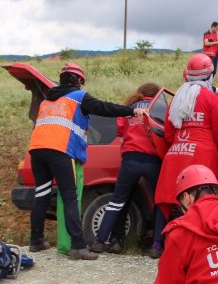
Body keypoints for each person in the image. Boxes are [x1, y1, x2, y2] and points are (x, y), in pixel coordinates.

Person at [27, 63, 148, 260]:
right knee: (70, 197)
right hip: (59, 150)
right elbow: (104, 107)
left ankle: (36, 241)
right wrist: (131, 111)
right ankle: (78, 245)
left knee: (41, 194)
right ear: (79, 81)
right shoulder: (78, 97)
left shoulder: (46, 101)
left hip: (37, 150)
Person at [153, 54, 218, 255]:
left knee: (167, 198)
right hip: (203, 156)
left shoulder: (177, 98)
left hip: (175, 154)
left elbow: (168, 132)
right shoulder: (212, 98)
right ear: (210, 75)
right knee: (202, 200)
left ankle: (157, 244)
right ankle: (196, 246)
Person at [90, 83, 165, 257]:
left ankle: (101, 241)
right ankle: (156, 245)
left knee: (118, 201)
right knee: (160, 202)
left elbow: (120, 131)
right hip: (153, 161)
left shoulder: (128, 108)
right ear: (156, 95)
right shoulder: (160, 109)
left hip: (130, 160)